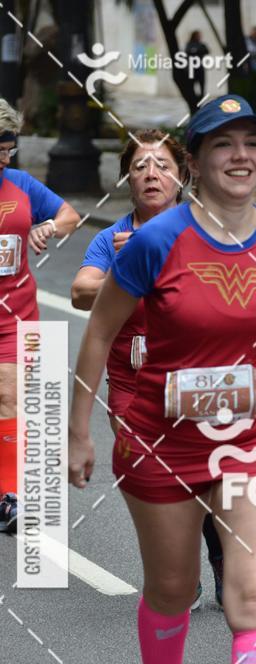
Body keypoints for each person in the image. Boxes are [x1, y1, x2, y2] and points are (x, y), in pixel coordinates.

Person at [68, 95, 256, 664]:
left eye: (251, 143)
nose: (241, 156)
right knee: (172, 591)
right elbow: (100, 333)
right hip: (160, 439)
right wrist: (78, 432)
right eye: (223, 145)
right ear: (196, 163)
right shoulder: (153, 242)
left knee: (254, 597)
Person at [71, 129, 224, 608]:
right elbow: (80, 292)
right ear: (127, 180)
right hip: (132, 389)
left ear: (182, 177)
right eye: (139, 167)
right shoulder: (112, 239)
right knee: (160, 484)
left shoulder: (205, 230)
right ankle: (181, 575)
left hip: (194, 381)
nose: (151, 174)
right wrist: (125, 267)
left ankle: (219, 559)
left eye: (162, 166)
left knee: (200, 483)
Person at [0, 99, 79, 534]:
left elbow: (69, 215)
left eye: (8, 151)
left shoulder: (21, 185)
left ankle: (12, 496)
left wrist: (49, 226)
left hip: (15, 315)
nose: (4, 160)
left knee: (10, 396)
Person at [185, 30, 209, 99]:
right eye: (198, 35)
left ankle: (201, 97)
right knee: (191, 85)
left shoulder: (201, 44)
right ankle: (193, 98)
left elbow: (207, 51)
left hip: (200, 67)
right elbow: (188, 52)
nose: (199, 37)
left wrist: (196, 51)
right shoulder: (190, 44)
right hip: (192, 68)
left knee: (202, 84)